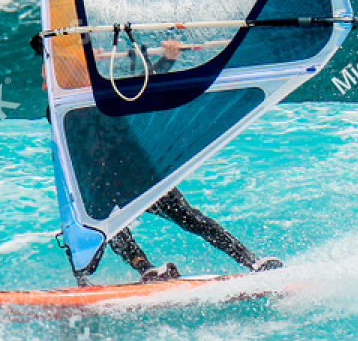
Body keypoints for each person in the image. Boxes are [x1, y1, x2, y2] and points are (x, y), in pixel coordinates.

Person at [76, 39, 284, 285]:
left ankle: (252, 262)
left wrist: (167, 60)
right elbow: (55, 84)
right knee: (106, 226)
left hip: (138, 171)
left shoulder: (112, 95)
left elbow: (140, 91)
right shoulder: (68, 104)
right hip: (101, 178)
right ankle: (146, 269)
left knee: (190, 217)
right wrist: (79, 66)